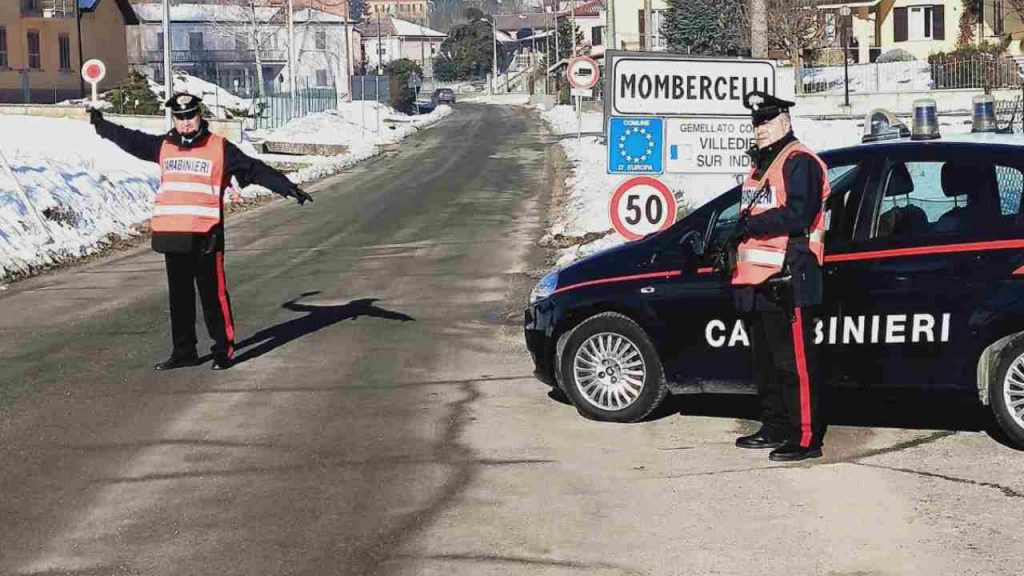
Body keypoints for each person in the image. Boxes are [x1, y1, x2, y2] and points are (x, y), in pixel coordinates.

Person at [89, 92, 314, 371]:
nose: (185, 123)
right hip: (173, 234)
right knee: (179, 298)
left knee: (213, 296)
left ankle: (223, 350)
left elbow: (254, 169)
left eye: (189, 116)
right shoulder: (164, 145)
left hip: (206, 236)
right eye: (180, 118)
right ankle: (184, 351)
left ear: (199, 115)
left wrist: (286, 187)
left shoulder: (220, 148)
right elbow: (131, 139)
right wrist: (102, 126)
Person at [727, 91, 831, 462]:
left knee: (795, 365)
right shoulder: (762, 165)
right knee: (767, 364)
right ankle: (773, 426)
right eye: (756, 124)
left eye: (767, 122)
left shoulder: (799, 160)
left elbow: (799, 215)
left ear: (785, 122)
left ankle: (805, 438)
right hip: (758, 280)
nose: (759, 130)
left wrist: (750, 225)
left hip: (791, 276)